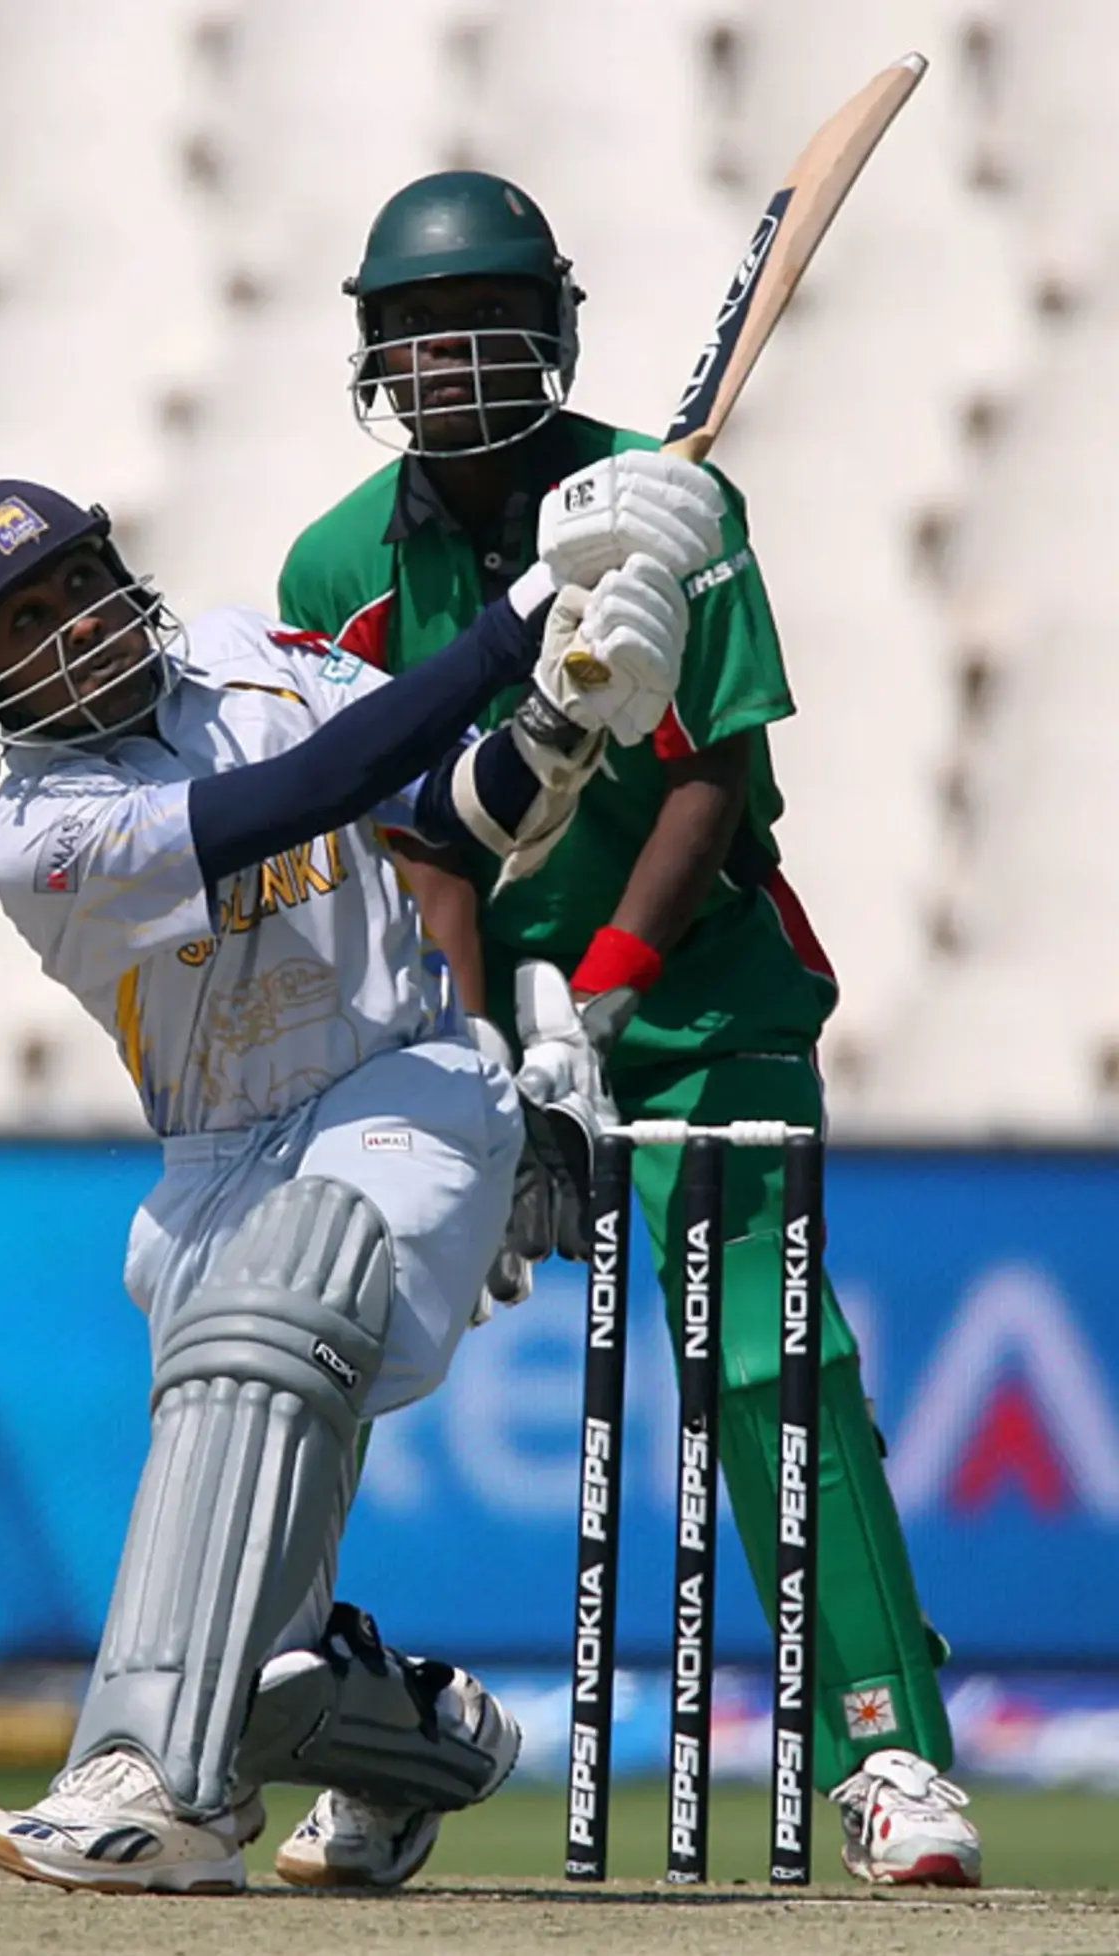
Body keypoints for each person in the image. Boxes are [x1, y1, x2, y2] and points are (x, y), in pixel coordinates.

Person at [274, 169, 983, 1890]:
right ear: (371, 353)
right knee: (319, 1346)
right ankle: (365, 1748)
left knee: (769, 1361)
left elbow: (714, 783)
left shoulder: (681, 504)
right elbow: (407, 836)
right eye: (416, 337)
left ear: (554, 335)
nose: (450, 365)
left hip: (699, 992)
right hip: (461, 1004)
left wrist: (596, 997)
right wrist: (481, 1043)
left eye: (485, 329)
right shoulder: (336, 564)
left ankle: (883, 1748)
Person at [0, 470, 719, 1892]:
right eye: (20, 623)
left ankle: (157, 1785)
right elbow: (299, 800)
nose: (71, 626)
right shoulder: (42, 831)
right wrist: (524, 614)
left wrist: (573, 705)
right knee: (259, 1633)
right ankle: (410, 1748)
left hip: (408, 1080)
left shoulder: (253, 662)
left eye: (77, 584)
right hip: (216, 1159)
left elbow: (450, 817)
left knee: (298, 1270)